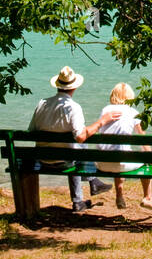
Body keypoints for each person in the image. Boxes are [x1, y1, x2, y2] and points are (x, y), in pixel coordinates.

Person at [28, 66, 113, 211]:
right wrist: (101, 122)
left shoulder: (42, 104)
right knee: (78, 147)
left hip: (42, 160)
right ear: (74, 88)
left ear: (58, 86)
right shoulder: (73, 107)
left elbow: (31, 131)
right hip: (64, 161)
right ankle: (91, 184)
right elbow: (80, 137)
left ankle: (87, 191)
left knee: (74, 149)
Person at [95, 83, 152, 211]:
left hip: (102, 164)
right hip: (120, 163)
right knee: (142, 157)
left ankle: (119, 196)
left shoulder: (105, 110)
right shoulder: (133, 112)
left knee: (117, 152)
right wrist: (151, 156)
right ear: (130, 97)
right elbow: (143, 139)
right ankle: (147, 197)